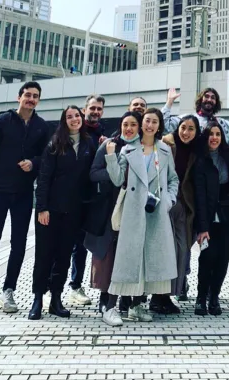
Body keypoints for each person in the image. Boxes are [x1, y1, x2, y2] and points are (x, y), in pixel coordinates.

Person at [0, 81, 48, 316]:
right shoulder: (2, 122)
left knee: (19, 244)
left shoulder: (41, 126)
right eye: (27, 95)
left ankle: (9, 290)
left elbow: (45, 158)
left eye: (35, 96)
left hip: (24, 194)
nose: (31, 99)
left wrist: (33, 163)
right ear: (19, 98)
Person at [103, 108, 179, 325]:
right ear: (141, 123)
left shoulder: (164, 150)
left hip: (156, 213)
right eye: (147, 120)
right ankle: (110, 308)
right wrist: (110, 156)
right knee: (125, 260)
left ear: (159, 126)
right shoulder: (128, 149)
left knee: (147, 260)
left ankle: (136, 306)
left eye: (155, 122)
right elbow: (117, 180)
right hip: (133, 212)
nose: (150, 125)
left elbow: (173, 179)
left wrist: (168, 201)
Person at [29, 106, 96, 320]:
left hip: (73, 211)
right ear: (64, 121)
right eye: (69, 117)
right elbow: (44, 178)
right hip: (50, 211)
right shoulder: (54, 143)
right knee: (44, 255)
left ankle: (56, 299)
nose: (74, 119)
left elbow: (89, 178)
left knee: (63, 257)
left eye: (77, 116)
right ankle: (38, 298)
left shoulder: (88, 144)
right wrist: (42, 208)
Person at [85, 111, 142, 322]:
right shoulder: (110, 144)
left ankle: (129, 301)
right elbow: (93, 173)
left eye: (133, 125)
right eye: (125, 124)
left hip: (135, 209)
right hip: (110, 208)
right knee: (108, 254)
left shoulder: (143, 147)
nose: (129, 128)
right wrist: (114, 172)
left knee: (129, 254)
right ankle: (106, 299)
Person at [153, 115, 200, 312]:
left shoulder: (198, 151)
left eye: (191, 128)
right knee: (164, 250)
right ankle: (158, 296)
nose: (186, 132)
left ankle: (168, 294)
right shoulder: (166, 145)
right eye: (183, 127)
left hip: (186, 207)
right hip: (165, 203)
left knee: (181, 251)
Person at [66, 94, 108, 308]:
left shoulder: (103, 134)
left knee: (83, 244)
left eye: (99, 109)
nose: (96, 112)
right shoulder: (75, 131)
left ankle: (75, 286)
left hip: (92, 197)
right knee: (66, 243)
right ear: (85, 109)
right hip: (70, 196)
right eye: (93, 108)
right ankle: (51, 287)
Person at [193, 121, 229, 316]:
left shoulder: (228, 157)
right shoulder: (201, 160)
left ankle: (215, 296)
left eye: (218, 134)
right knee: (207, 256)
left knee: (223, 256)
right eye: (211, 134)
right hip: (207, 217)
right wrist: (202, 227)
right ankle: (201, 297)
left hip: (225, 217)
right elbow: (199, 195)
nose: (215, 137)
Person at [162, 87, 229, 142]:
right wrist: (169, 102)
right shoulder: (188, 120)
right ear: (200, 99)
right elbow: (165, 126)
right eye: (206, 96)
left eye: (213, 98)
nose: (209, 99)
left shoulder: (222, 124)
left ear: (216, 103)